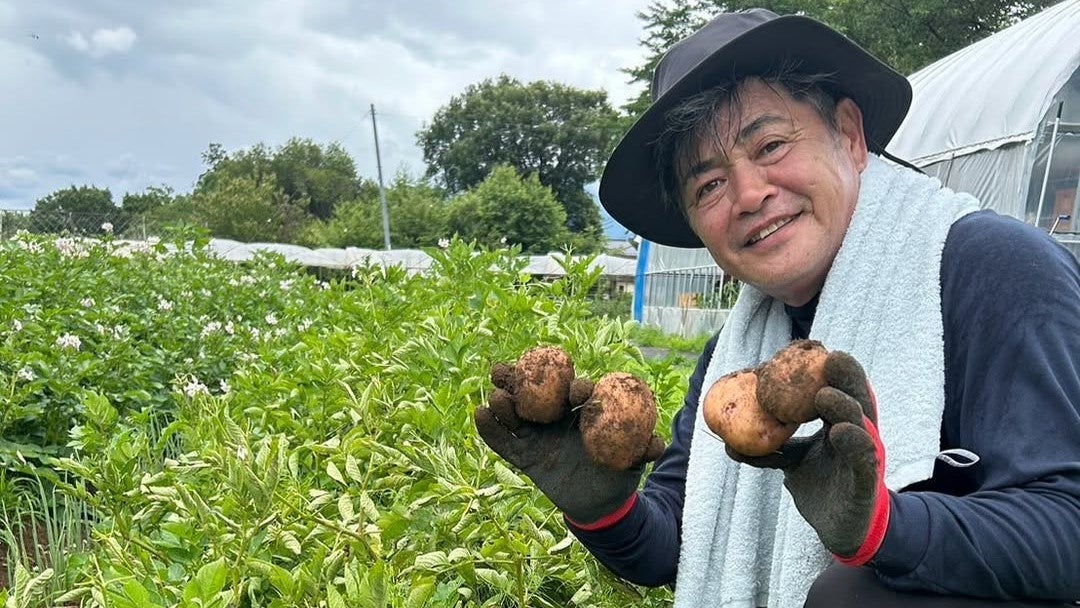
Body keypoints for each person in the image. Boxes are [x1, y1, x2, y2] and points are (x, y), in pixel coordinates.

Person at [474, 8, 1080, 608]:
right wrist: (605, 507)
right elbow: (678, 544)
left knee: (853, 596)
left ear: (849, 134)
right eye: (709, 185)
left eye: (769, 145)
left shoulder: (992, 269)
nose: (749, 194)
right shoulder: (735, 354)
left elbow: (1068, 525)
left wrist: (887, 528)